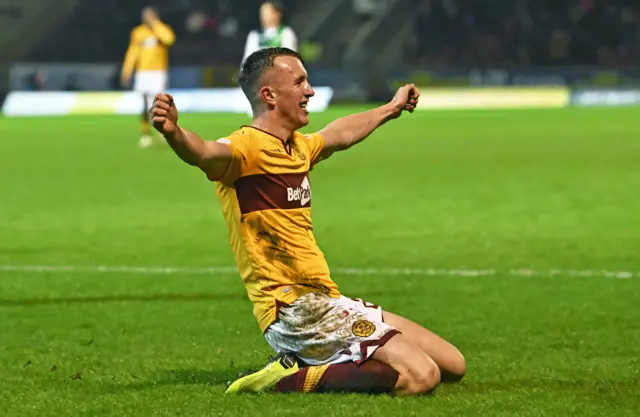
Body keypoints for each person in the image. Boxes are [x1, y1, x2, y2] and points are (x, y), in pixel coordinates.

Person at [150, 47, 465, 396]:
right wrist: (174, 133)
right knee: (421, 376)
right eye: (299, 81)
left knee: (452, 365)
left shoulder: (297, 147)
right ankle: (286, 378)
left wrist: (392, 109)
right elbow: (206, 153)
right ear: (269, 95)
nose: (310, 91)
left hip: (325, 300)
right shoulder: (245, 149)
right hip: (293, 310)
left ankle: (323, 362)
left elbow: (339, 134)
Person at [121, 6, 175, 148]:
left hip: (158, 72)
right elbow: (133, 52)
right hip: (143, 73)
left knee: (160, 104)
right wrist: (127, 70)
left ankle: (164, 132)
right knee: (145, 104)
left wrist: (156, 25)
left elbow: (169, 40)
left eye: (150, 16)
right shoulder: (138, 32)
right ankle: (145, 133)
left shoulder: (161, 30)